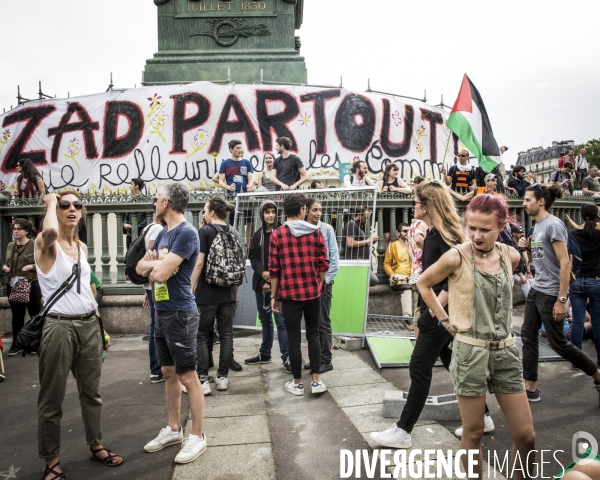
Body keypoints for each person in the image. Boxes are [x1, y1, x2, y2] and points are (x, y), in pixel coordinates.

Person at [370, 181, 498, 448]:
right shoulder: (443, 234)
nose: (412, 206)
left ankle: (403, 431)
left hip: (440, 314)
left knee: (419, 368)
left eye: (415, 202)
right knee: (454, 363)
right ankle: (483, 417)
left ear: (426, 207)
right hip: (448, 312)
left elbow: (455, 276)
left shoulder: (436, 237)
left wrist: (434, 308)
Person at [419, 194, 535, 478]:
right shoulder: (456, 256)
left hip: (506, 351)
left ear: (500, 228)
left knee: (526, 437)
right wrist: (445, 321)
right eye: (471, 228)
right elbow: (424, 283)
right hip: (470, 353)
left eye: (485, 229)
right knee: (474, 432)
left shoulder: (511, 255)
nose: (476, 235)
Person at [35, 191, 122, 479]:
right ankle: (51, 461)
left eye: (77, 205)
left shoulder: (82, 247)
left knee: (91, 393)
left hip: (88, 325)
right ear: (56, 209)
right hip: (58, 327)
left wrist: (101, 325)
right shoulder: (45, 245)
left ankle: (95, 445)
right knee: (52, 398)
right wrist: (49, 201)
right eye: (64, 204)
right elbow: (48, 230)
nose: (72, 209)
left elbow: (87, 291)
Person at [138, 182, 206, 465]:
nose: (153, 203)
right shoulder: (163, 233)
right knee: (167, 371)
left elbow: (161, 274)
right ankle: (174, 430)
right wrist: (155, 267)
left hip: (180, 313)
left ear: (165, 202)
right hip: (161, 310)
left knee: (188, 376)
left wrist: (156, 267)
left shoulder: (186, 233)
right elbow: (140, 268)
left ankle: (198, 436)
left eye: (156, 199)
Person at [518, 184, 600, 403]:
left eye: (527, 200)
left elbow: (565, 264)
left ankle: (597, 375)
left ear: (541, 201)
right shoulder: (536, 227)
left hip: (551, 293)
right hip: (536, 289)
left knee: (558, 344)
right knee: (528, 336)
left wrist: (562, 300)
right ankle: (530, 387)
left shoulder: (553, 225)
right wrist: (525, 246)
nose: (524, 203)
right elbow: (543, 258)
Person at [269, 193, 329, 395]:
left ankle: (296, 383)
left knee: (293, 338)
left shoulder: (277, 234)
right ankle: (316, 380)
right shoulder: (316, 232)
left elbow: (274, 270)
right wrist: (319, 284)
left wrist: (274, 296)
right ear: (302, 210)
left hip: (288, 294)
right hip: (312, 293)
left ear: (285, 211)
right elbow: (323, 263)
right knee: (313, 334)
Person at [192, 197, 239, 394]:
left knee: (202, 335)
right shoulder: (233, 232)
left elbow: (200, 262)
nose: (203, 214)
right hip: (228, 291)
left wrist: (191, 285)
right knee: (227, 335)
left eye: (204, 210)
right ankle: (222, 378)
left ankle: (202, 380)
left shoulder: (205, 231)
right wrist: (235, 293)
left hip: (207, 292)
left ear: (212, 213)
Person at [246, 200, 291, 373]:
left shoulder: (282, 232)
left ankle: (286, 356)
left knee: (281, 322)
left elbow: (283, 258)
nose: (270, 215)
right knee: (265, 320)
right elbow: (253, 256)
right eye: (267, 212)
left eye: (273, 211)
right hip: (260, 284)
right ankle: (265, 353)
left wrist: (270, 279)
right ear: (262, 214)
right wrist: (261, 272)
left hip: (278, 285)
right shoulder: (258, 235)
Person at [304, 197, 339, 373]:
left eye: (320, 210)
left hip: (323, 284)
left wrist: (325, 281)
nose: (318, 213)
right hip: (307, 284)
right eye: (315, 210)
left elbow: (334, 259)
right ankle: (316, 359)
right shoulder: (302, 228)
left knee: (323, 322)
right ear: (306, 211)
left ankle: (327, 359)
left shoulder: (327, 229)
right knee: (312, 323)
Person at [3, 218, 42, 355]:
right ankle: (17, 343)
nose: (15, 231)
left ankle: (35, 343)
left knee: (35, 314)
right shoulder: (10, 245)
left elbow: (44, 264)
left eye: (18, 228)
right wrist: (5, 267)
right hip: (14, 284)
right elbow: (8, 262)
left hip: (31, 282)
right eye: (14, 229)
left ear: (26, 231)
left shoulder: (34, 245)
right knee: (17, 315)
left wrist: (31, 266)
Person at [568, 203, 600, 366]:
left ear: (581, 216)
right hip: (595, 280)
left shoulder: (573, 235)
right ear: (597, 217)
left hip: (577, 281)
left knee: (578, 322)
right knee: (597, 321)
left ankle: (577, 360)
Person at [141, 215, 167, 383]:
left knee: (156, 326)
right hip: (157, 285)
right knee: (157, 327)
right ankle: (157, 369)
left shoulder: (148, 227)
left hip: (152, 286)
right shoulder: (157, 229)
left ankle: (157, 369)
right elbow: (150, 256)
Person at [378, 163, 412, 246]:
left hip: (397, 211)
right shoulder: (383, 181)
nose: (396, 172)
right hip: (385, 212)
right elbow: (375, 193)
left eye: (397, 170)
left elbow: (409, 190)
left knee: (397, 235)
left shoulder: (398, 180)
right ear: (388, 172)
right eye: (394, 170)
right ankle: (387, 257)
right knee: (386, 236)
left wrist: (396, 189)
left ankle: (397, 256)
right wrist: (382, 191)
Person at [344, 205, 379, 286]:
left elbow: (359, 242)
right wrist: (367, 240)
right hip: (356, 261)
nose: (366, 220)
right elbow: (350, 243)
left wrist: (369, 242)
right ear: (359, 215)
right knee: (374, 280)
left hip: (361, 261)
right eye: (365, 218)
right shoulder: (351, 224)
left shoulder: (357, 226)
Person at [383, 223, 412, 317]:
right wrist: (392, 275)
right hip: (399, 276)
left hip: (412, 276)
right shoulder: (392, 246)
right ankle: (407, 319)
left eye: (409, 231)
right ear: (398, 233)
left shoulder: (413, 245)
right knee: (408, 290)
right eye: (405, 231)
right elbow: (386, 264)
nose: (407, 233)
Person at [407, 216, 428, 338]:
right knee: (420, 309)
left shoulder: (412, 225)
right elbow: (419, 239)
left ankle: (418, 340)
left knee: (418, 308)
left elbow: (410, 247)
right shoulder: (422, 224)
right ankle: (419, 341)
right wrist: (430, 250)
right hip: (421, 273)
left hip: (416, 272)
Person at [123, 178, 148, 249]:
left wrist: (135, 227)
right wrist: (125, 224)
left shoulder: (145, 200)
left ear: (136, 186)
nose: (130, 186)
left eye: (131, 184)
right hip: (130, 235)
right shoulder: (131, 199)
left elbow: (147, 219)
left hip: (141, 235)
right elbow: (126, 216)